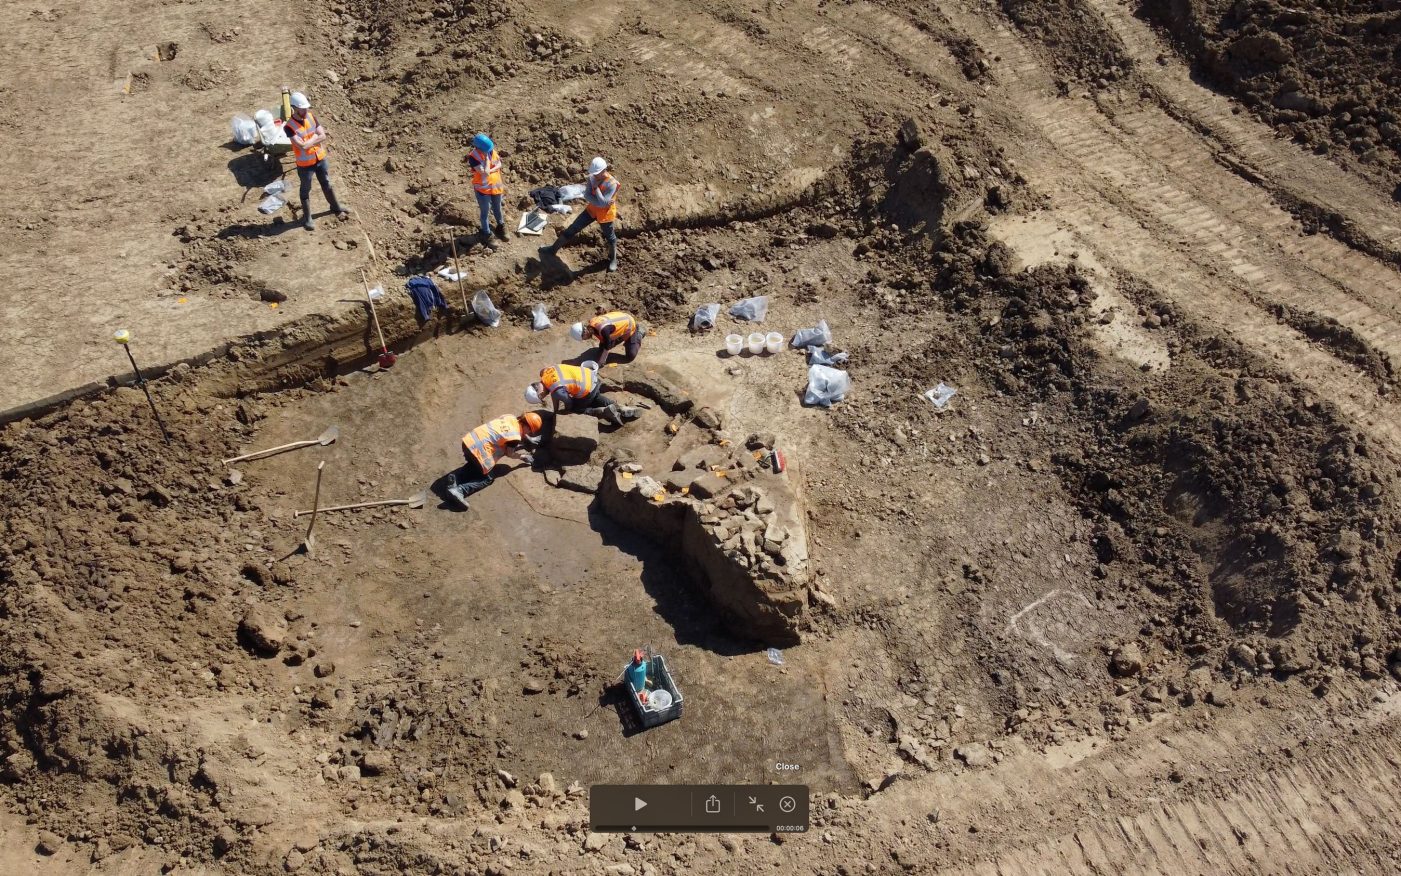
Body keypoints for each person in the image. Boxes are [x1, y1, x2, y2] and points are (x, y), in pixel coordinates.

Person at [447, 412, 544, 509]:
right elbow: (509, 454)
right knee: (487, 478)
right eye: (530, 431)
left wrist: (528, 439)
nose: (529, 433)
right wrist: (522, 456)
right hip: (478, 453)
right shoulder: (515, 438)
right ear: (528, 427)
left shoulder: (509, 417)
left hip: (468, 442)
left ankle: (456, 477)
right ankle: (460, 491)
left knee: (475, 464)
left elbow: (511, 430)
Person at [539, 156, 619, 271]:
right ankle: (552, 249)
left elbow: (602, 203)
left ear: (604, 170)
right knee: (572, 229)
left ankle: (613, 259)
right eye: (594, 173)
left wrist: (596, 189)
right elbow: (588, 196)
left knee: (610, 238)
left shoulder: (612, 184)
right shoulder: (592, 178)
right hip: (591, 210)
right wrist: (601, 201)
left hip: (606, 214)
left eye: (597, 173)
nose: (594, 175)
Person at [283, 91, 347, 231]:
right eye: (302, 108)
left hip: (320, 158)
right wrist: (314, 139)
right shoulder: (289, 126)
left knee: (327, 183)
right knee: (305, 190)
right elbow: (302, 146)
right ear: (294, 108)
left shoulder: (311, 117)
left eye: (306, 108)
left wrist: (309, 141)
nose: (305, 110)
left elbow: (323, 135)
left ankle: (335, 207)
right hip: (305, 165)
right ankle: (307, 219)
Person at [523, 362, 637, 425]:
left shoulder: (556, 390)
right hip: (592, 378)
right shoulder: (545, 372)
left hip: (586, 388)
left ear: (540, 393)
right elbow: (554, 392)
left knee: (577, 408)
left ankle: (604, 412)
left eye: (542, 397)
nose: (544, 397)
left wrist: (567, 411)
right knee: (595, 397)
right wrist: (556, 411)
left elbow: (568, 402)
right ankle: (619, 407)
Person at [467, 133, 507, 247]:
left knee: (497, 208)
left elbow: (499, 164)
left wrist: (492, 167)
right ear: (478, 148)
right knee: (485, 212)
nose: (490, 151)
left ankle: (501, 226)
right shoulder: (473, 157)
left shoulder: (490, 150)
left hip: (496, 187)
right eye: (487, 150)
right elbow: (484, 172)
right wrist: (487, 161)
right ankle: (487, 233)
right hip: (483, 190)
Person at [571, 310, 645, 367]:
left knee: (630, 356)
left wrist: (601, 363)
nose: (585, 340)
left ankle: (639, 333)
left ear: (584, 332)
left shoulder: (603, 330)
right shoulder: (592, 324)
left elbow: (607, 347)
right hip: (618, 325)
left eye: (583, 338)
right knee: (600, 351)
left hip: (629, 325)